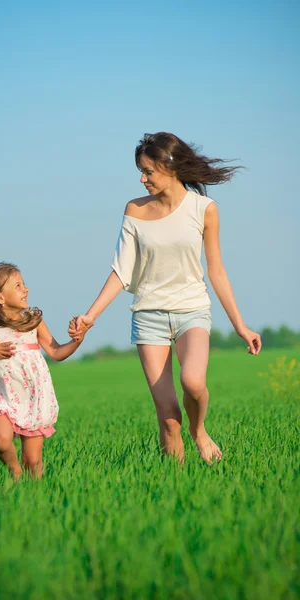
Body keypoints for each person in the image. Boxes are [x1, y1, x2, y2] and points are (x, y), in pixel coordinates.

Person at [70, 132, 262, 465]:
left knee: (193, 381)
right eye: (141, 173)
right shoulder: (134, 210)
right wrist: (91, 316)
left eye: (148, 171)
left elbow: (216, 271)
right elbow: (121, 271)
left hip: (192, 310)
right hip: (149, 316)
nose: (143, 179)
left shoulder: (204, 209)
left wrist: (241, 327)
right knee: (169, 417)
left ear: (169, 166)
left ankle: (199, 431)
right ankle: (176, 483)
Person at [0, 262, 88, 479]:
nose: (26, 289)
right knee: (1, 440)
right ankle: (14, 471)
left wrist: (77, 340)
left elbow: (56, 352)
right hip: (0, 396)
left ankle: (34, 496)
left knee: (33, 461)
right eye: (18, 286)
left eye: (24, 284)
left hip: (32, 397)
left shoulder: (33, 321)